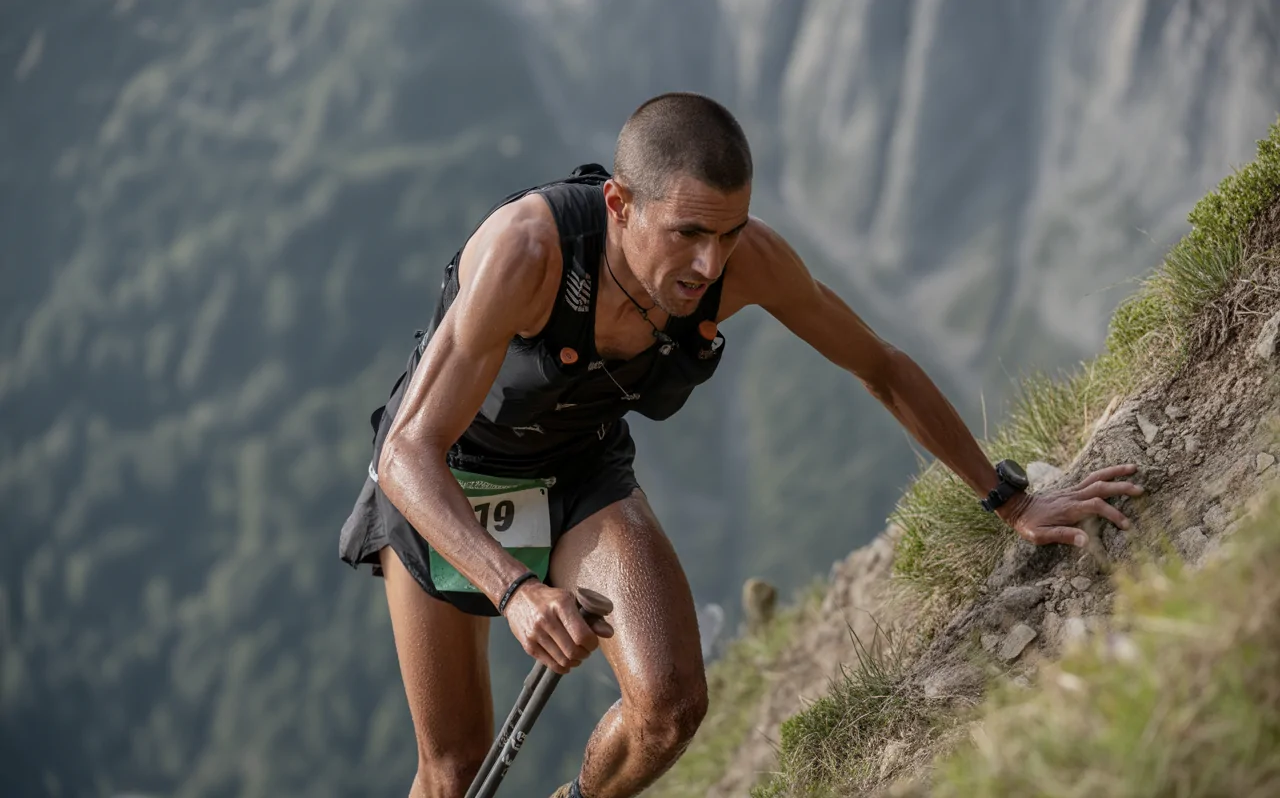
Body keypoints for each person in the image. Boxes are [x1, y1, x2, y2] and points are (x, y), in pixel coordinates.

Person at [338, 92, 1142, 798]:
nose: (709, 263)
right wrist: (513, 589)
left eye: (730, 231)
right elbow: (407, 453)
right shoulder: (527, 252)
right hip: (452, 476)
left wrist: (1014, 501)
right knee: (455, 769)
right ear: (618, 205)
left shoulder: (743, 263)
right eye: (687, 232)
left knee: (672, 708)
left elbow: (881, 366)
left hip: (576, 467)